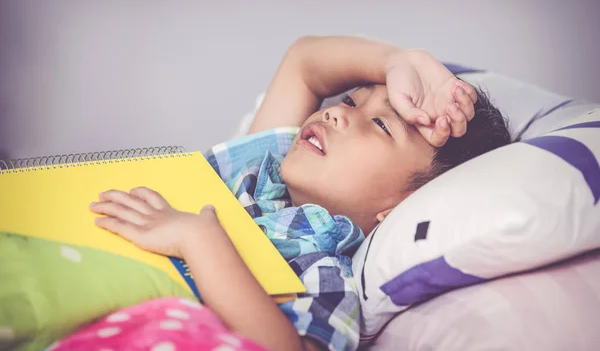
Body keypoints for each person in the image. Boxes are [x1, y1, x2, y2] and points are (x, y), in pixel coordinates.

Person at [86, 36, 511, 351]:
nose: (336, 113)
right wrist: (398, 61)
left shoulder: (321, 268)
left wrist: (201, 241)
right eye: (350, 101)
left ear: (403, 207)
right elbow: (303, 62)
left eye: (382, 125)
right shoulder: (262, 166)